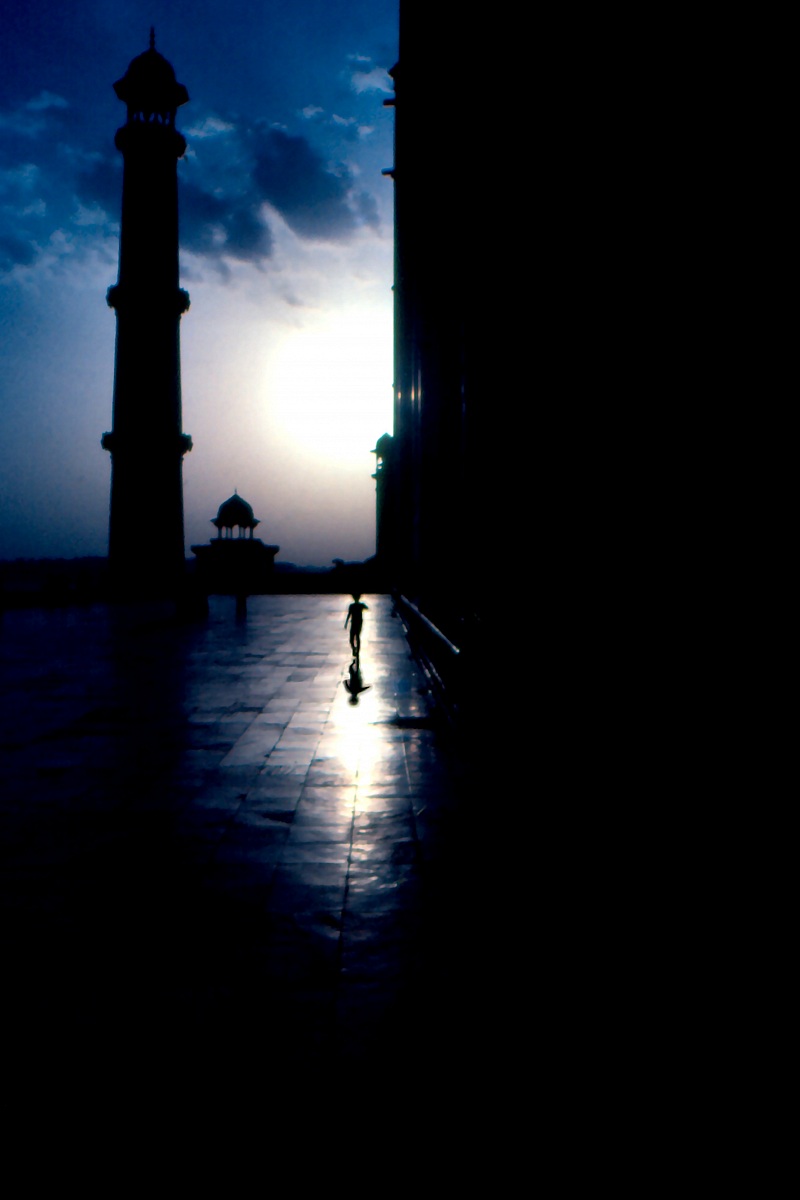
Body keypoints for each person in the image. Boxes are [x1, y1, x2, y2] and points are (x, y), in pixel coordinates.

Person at [344, 593, 368, 658]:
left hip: (355, 622)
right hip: (358, 622)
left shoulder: (352, 606)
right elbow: (367, 608)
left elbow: (349, 614)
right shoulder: (360, 605)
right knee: (357, 636)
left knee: (353, 637)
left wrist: (346, 623)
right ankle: (356, 649)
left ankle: (355, 649)